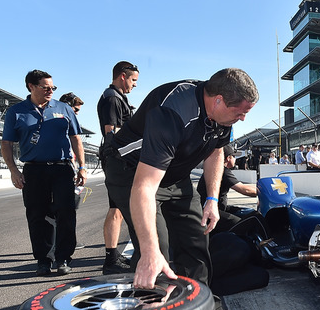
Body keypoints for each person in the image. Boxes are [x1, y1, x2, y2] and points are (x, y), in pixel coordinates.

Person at [101, 68, 258, 291]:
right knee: (157, 249)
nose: (242, 118)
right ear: (218, 101)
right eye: (240, 112)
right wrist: (149, 251)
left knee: (196, 239)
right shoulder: (172, 110)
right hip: (131, 170)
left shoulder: (223, 115)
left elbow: (216, 151)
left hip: (175, 174)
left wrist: (212, 199)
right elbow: (144, 186)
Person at [2, 70, 86, 276]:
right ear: (31, 86)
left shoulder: (64, 108)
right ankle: (43, 260)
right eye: (45, 87)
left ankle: (64, 258)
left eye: (53, 87)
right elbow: (6, 143)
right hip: (34, 169)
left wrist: (82, 167)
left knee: (66, 213)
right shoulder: (16, 111)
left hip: (62, 168)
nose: (50, 91)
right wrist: (13, 170)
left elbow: (76, 138)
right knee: (37, 214)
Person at [97, 61, 139, 274]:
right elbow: (110, 131)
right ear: (122, 76)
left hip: (118, 159)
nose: (134, 85)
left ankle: (112, 257)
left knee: (118, 210)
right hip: (118, 160)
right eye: (133, 80)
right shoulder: (112, 98)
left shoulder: (117, 97)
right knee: (118, 209)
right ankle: (110, 260)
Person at [197, 144, 258, 233]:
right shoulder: (223, 171)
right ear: (228, 158)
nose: (235, 159)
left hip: (215, 208)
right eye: (234, 156)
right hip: (211, 211)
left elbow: (244, 186)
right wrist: (265, 192)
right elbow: (244, 189)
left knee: (250, 213)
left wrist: (260, 186)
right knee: (246, 224)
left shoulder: (219, 171)